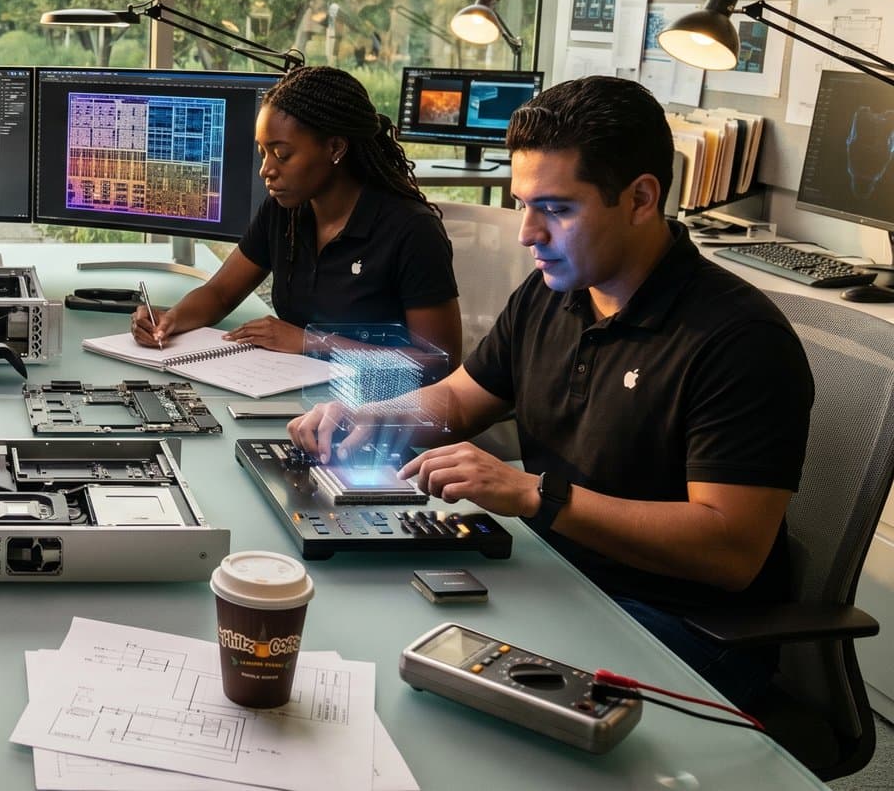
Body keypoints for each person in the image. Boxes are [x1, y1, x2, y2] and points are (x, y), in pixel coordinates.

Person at [288, 76, 812, 710]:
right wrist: (369, 415)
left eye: (557, 209)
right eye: (523, 203)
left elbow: (729, 550)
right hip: (554, 574)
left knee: (414, 691)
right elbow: (459, 399)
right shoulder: (551, 293)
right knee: (358, 624)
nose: (526, 232)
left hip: (680, 631)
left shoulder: (739, 339)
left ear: (642, 198)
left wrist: (536, 495)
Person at [133, 65, 462, 366]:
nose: (266, 170)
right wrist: (170, 320)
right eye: (263, 153)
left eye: (282, 154)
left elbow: (438, 360)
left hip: (379, 414)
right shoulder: (284, 211)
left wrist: (312, 342)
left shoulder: (411, 231)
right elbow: (220, 294)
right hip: (293, 392)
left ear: (335, 148)